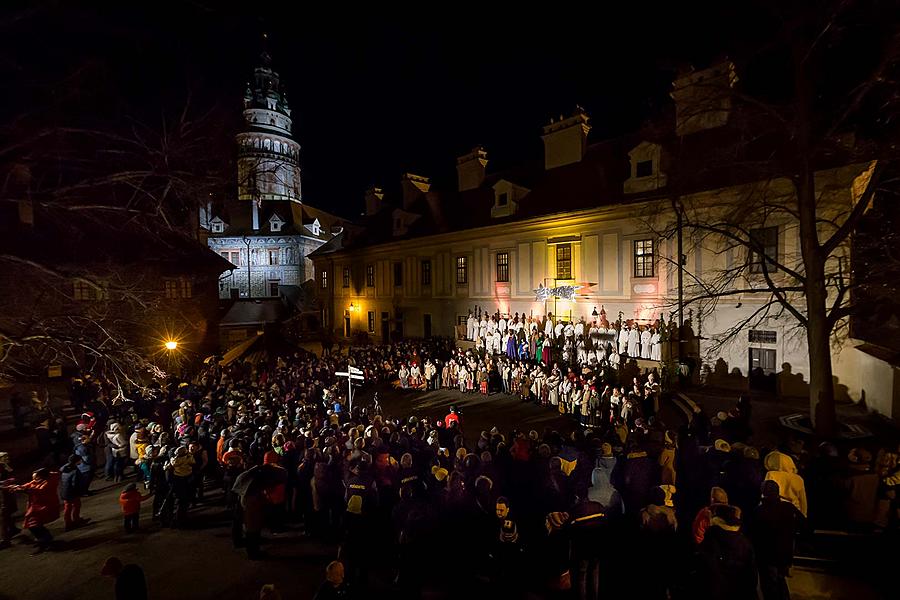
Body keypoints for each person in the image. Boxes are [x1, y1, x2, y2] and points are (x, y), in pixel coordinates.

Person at [752, 480, 797, 600]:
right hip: (784, 555)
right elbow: (806, 525)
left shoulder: (759, 511)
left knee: (770, 588)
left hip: (766, 556)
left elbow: (753, 534)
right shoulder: (788, 508)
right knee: (780, 583)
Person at [13, 467, 60, 554]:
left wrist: (25, 489)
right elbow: (31, 484)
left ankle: (44, 542)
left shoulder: (49, 482)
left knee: (34, 525)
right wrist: (18, 487)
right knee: (34, 524)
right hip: (37, 506)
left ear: (42, 476)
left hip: (45, 506)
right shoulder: (41, 480)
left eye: (36, 477)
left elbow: (40, 491)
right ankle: (45, 540)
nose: (34, 480)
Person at [60, 454, 89, 531]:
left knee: (67, 507)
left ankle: (68, 523)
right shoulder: (74, 471)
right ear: (76, 461)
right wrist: (80, 491)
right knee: (76, 506)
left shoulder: (65, 468)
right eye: (80, 460)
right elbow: (75, 483)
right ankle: (76, 521)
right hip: (72, 492)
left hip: (65, 491)